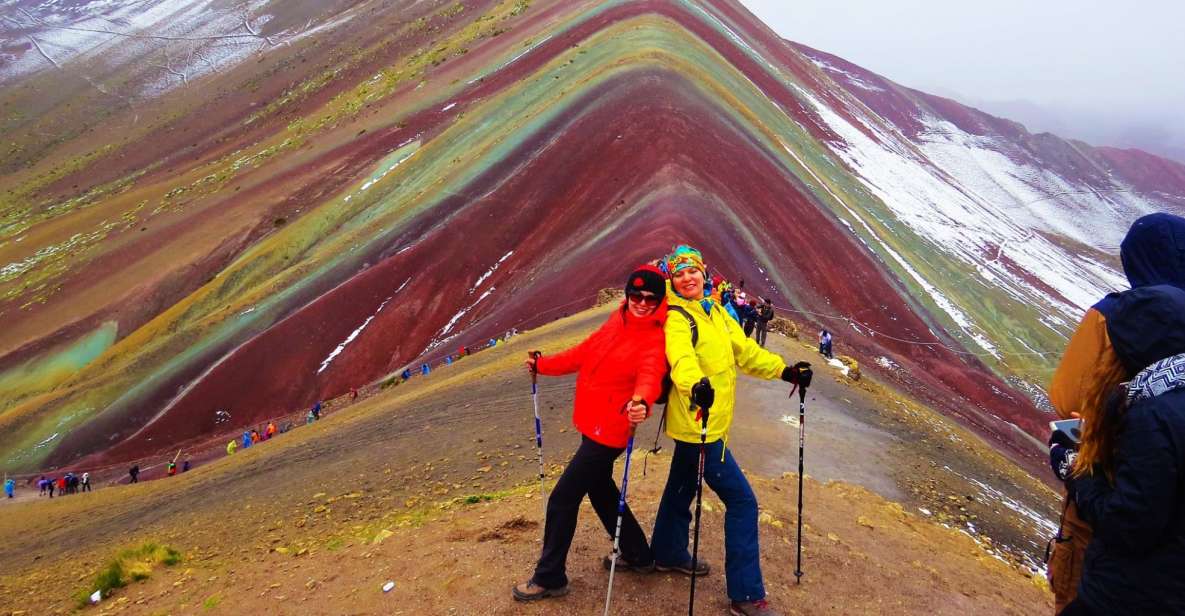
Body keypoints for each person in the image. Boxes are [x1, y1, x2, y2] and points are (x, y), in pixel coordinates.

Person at [651, 245, 811, 616]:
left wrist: (784, 370)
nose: (688, 278)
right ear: (672, 280)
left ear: (704, 274)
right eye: (680, 274)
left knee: (681, 489)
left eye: (693, 271)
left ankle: (667, 552)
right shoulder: (678, 319)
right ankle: (746, 595)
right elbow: (681, 360)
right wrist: (695, 386)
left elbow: (746, 353)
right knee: (743, 503)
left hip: (711, 424)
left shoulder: (718, 312)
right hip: (700, 427)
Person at [1046, 212, 1185, 613]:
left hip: (1104, 493)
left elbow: (1066, 396)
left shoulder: (1118, 315)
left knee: (1086, 583)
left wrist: (1075, 462)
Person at [512, 265, 669, 602]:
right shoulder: (617, 321)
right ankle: (638, 553)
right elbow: (583, 354)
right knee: (601, 490)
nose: (642, 302)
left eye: (650, 298)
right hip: (591, 423)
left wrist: (641, 401)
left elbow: (650, 375)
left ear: (660, 301)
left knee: (562, 498)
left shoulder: (655, 338)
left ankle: (550, 576)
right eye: (636, 295)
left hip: (609, 432)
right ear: (627, 295)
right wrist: (543, 365)